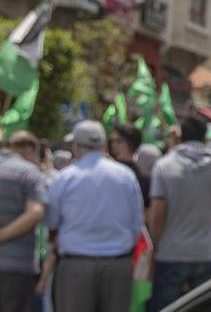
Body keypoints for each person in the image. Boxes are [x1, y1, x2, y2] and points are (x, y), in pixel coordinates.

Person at [45, 121, 143, 312]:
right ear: (104, 145)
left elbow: (52, 222)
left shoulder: (65, 178)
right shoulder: (125, 176)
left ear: (76, 146)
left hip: (76, 266)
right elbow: (136, 223)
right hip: (118, 265)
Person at [148, 115, 211, 312]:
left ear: (179, 135)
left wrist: (155, 247)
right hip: (206, 253)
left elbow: (157, 215)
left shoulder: (164, 166)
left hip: (170, 253)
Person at [0, 131, 46, 312]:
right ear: (29, 150)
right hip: (16, 266)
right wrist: (3, 234)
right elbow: (35, 212)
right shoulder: (28, 172)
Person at [109, 124, 151, 209]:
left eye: (118, 141)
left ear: (130, 143)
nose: (113, 144)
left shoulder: (141, 177)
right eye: (112, 141)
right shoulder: (108, 170)